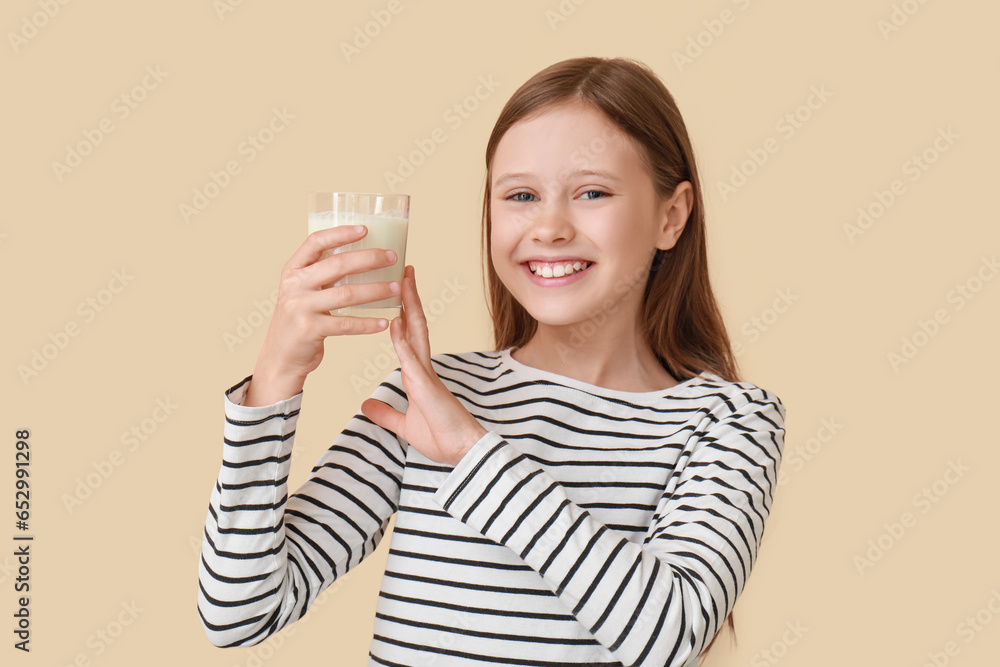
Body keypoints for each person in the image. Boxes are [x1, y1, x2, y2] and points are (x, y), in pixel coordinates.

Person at [198, 56, 786, 667]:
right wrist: (274, 382)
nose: (549, 227)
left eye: (592, 192)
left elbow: (668, 638)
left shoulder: (730, 421)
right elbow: (239, 613)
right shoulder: (426, 394)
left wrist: (472, 452)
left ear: (671, 215)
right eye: (521, 195)